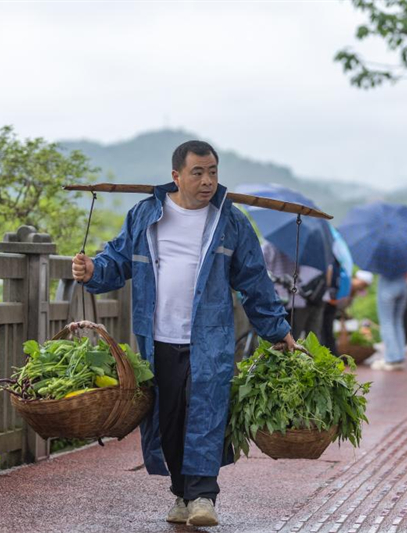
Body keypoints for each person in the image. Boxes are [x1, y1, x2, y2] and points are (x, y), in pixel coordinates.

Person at [72, 140, 296, 528]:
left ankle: (204, 496)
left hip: (210, 336)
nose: (207, 180)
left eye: (213, 172)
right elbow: (118, 259)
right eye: (198, 172)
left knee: (207, 411)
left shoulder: (230, 221)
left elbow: (254, 281)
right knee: (168, 416)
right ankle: (181, 493)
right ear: (176, 176)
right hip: (157, 335)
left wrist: (277, 329)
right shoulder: (145, 215)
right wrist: (94, 270)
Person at [371, 273, 407, 371]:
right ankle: (399, 356)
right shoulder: (405, 257)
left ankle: (391, 358)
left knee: (386, 322)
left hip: (387, 286)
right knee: (397, 322)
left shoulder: (382, 257)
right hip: (403, 286)